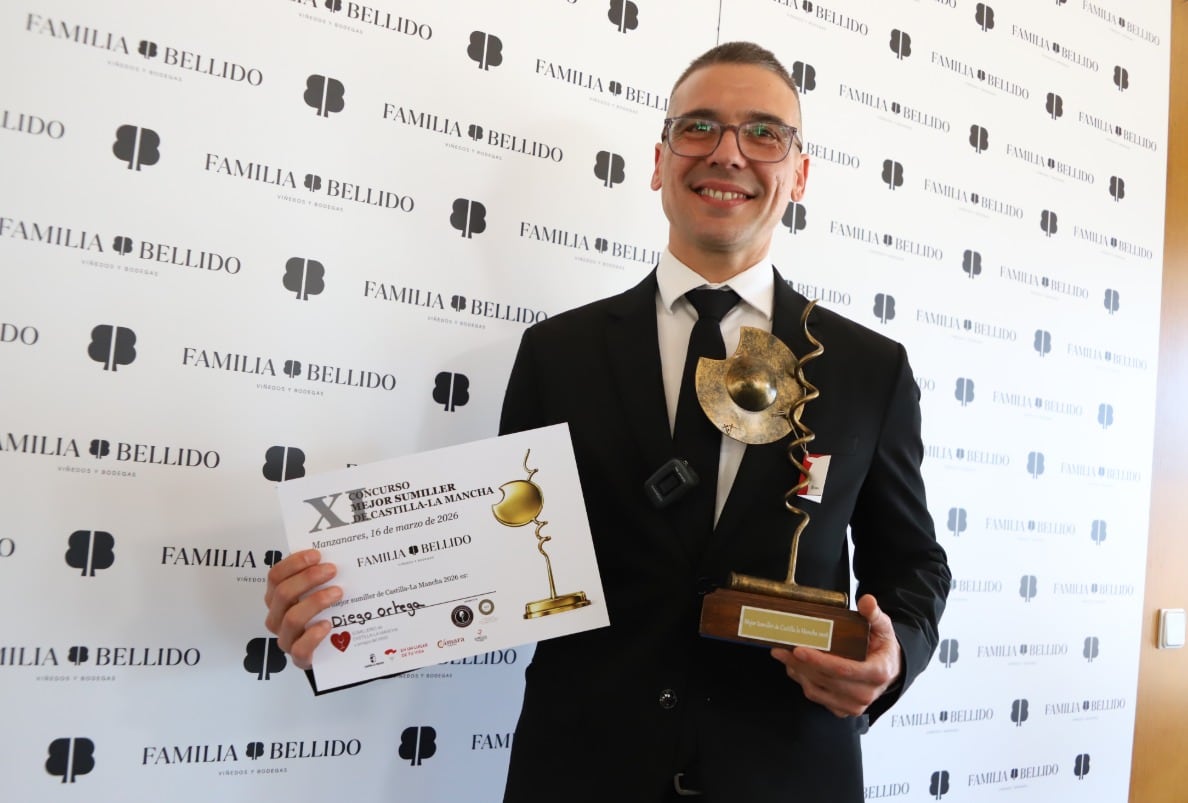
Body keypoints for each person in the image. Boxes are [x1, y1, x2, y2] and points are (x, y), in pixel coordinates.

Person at [265, 41, 949, 803]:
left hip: (786, 771)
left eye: (764, 133)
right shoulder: (557, 352)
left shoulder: (868, 367)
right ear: (659, 162)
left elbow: (912, 562)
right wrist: (348, 617)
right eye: (698, 127)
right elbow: (497, 552)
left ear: (800, 174)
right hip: (584, 770)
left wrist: (894, 655)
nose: (727, 153)